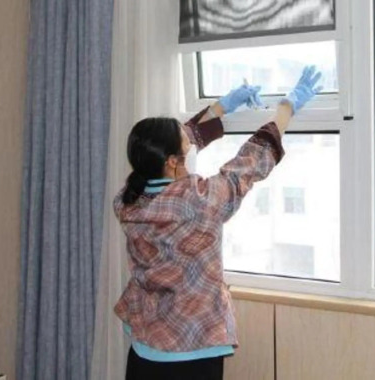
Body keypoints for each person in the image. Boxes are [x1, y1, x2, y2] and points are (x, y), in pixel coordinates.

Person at [115, 66, 323, 380]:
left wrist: (222, 107)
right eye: (184, 143)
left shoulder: (128, 199)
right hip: (192, 351)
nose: (189, 141)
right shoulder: (201, 200)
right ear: (172, 160)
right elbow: (251, 161)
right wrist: (287, 107)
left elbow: (172, 146)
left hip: (144, 348)